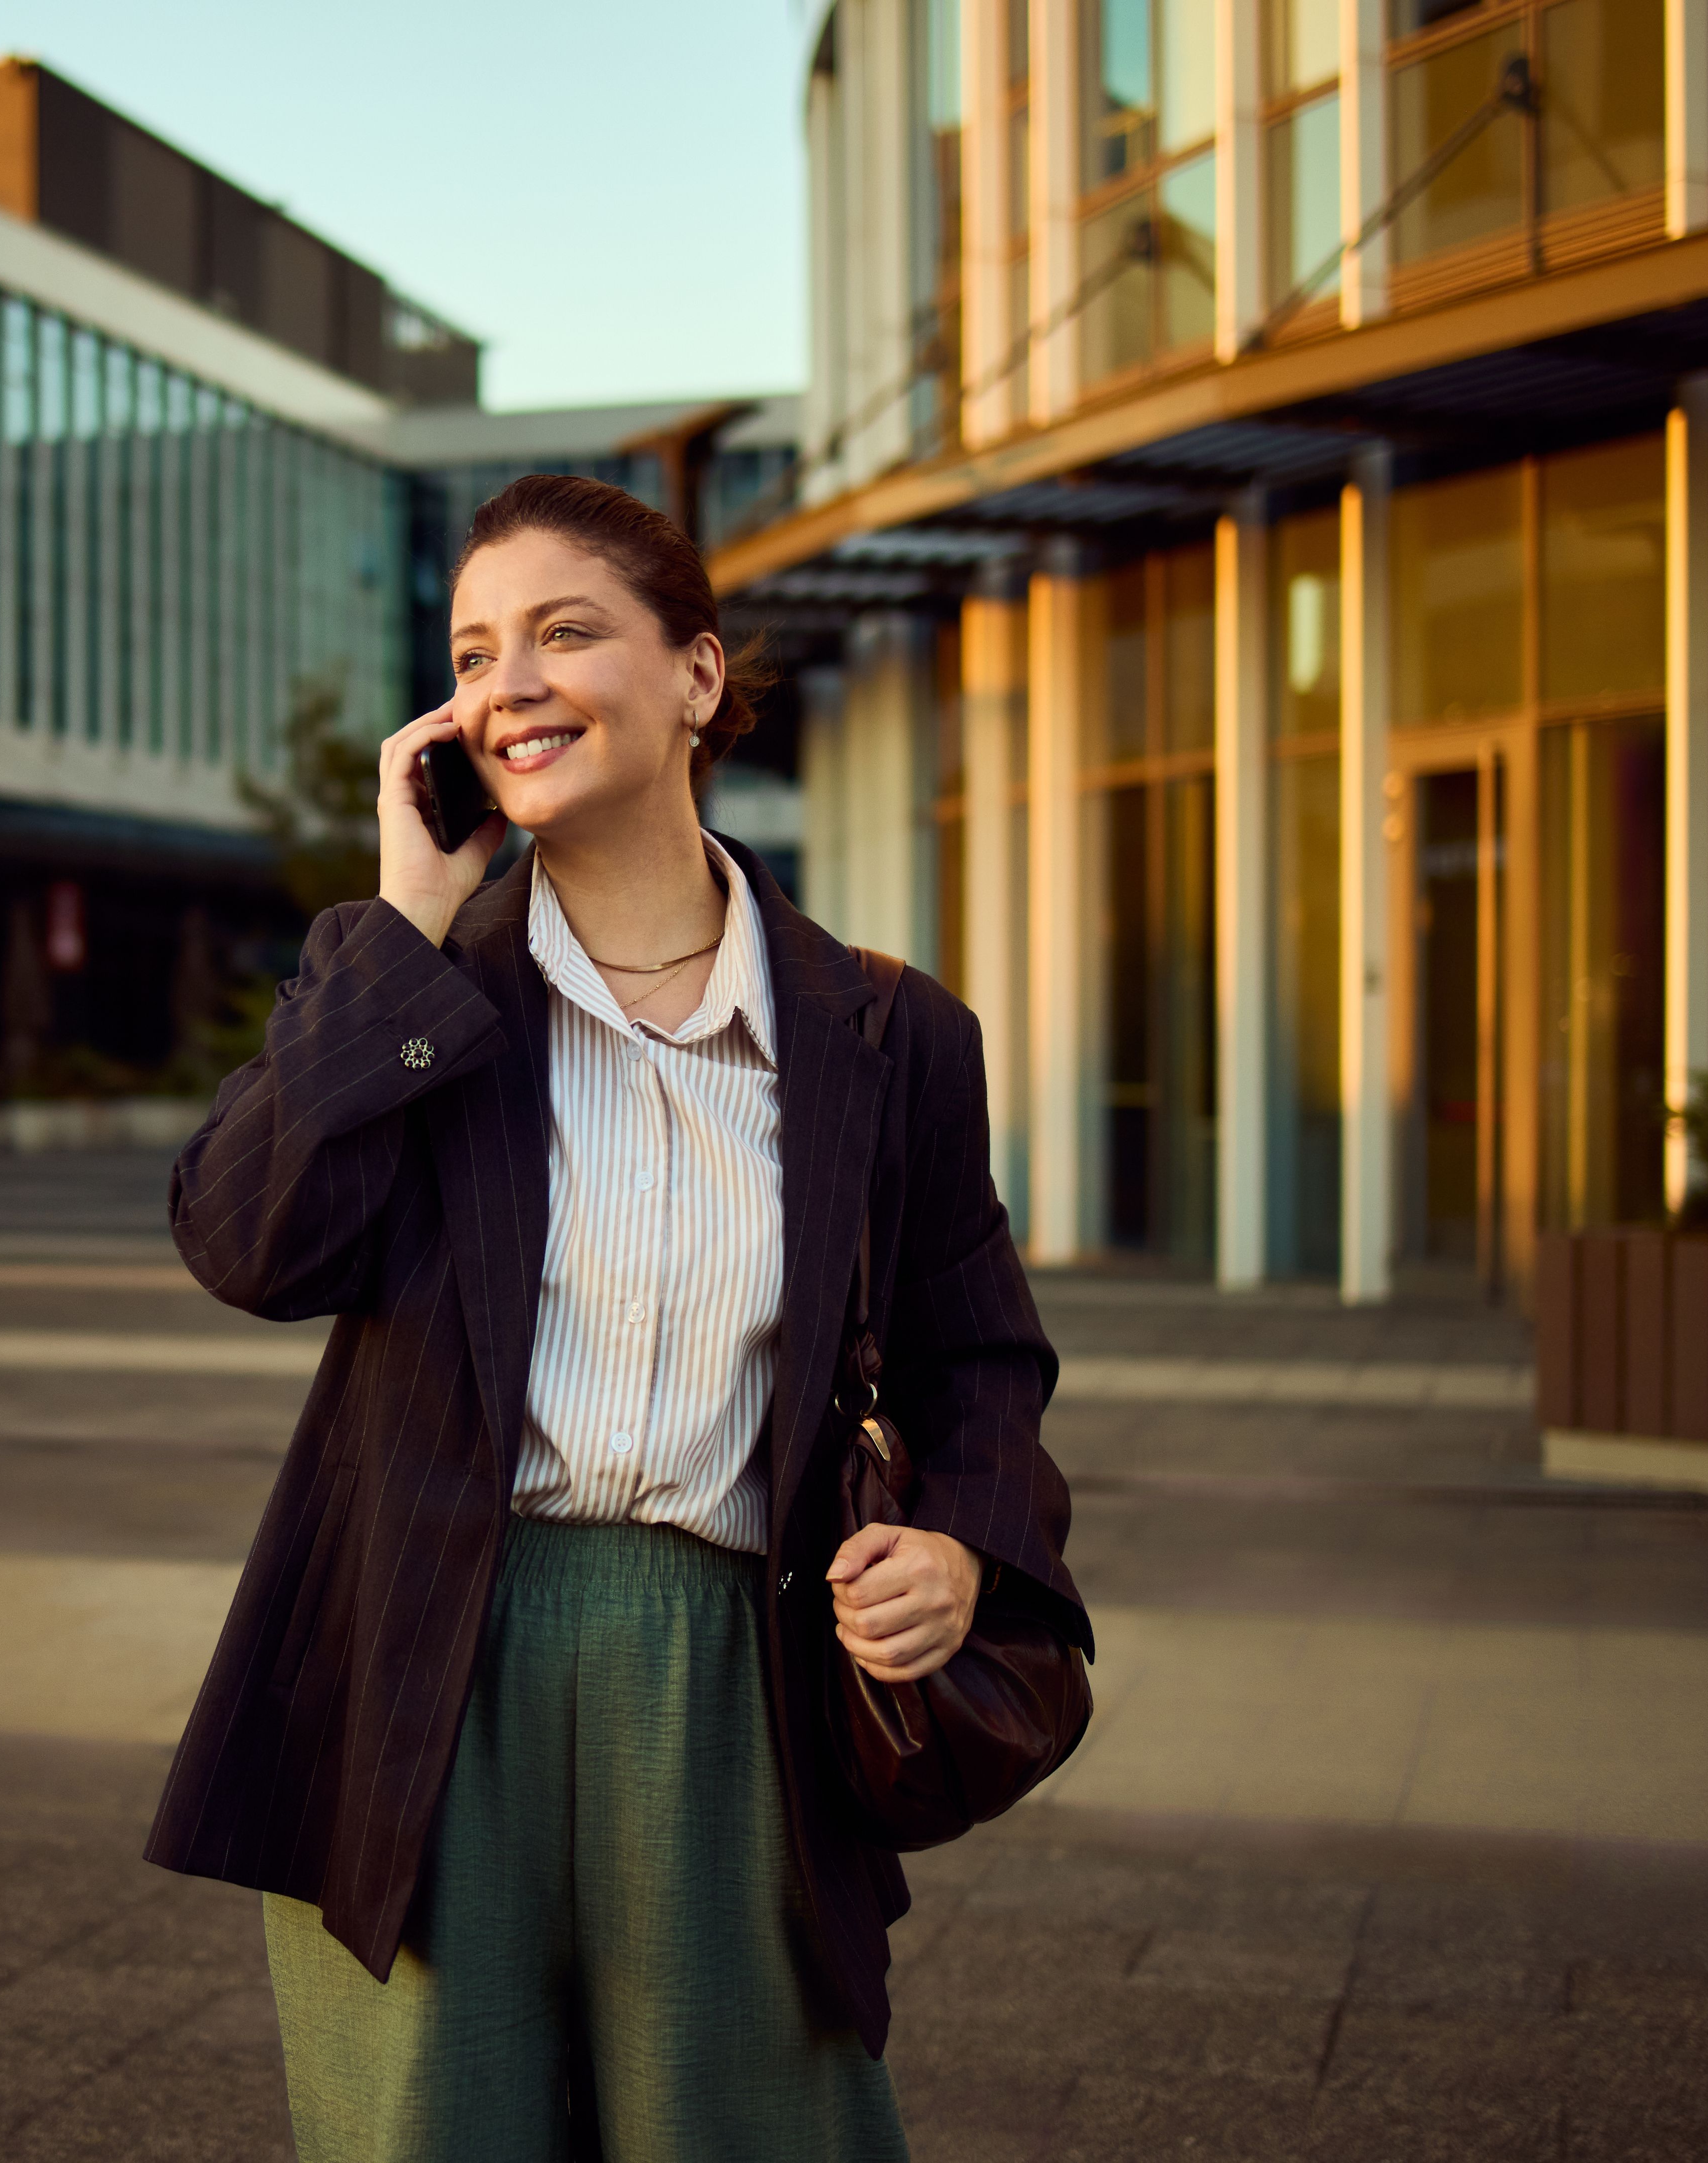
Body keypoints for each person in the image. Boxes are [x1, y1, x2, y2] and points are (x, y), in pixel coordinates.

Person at [149, 473, 1085, 2162]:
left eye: (566, 632)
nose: (510, 683)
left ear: (700, 680)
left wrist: (961, 1546)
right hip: (431, 1673)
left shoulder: (889, 1035)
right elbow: (246, 1243)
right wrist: (404, 921)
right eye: (474, 650)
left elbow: (982, 1357)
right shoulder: (411, 995)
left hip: (735, 1679)